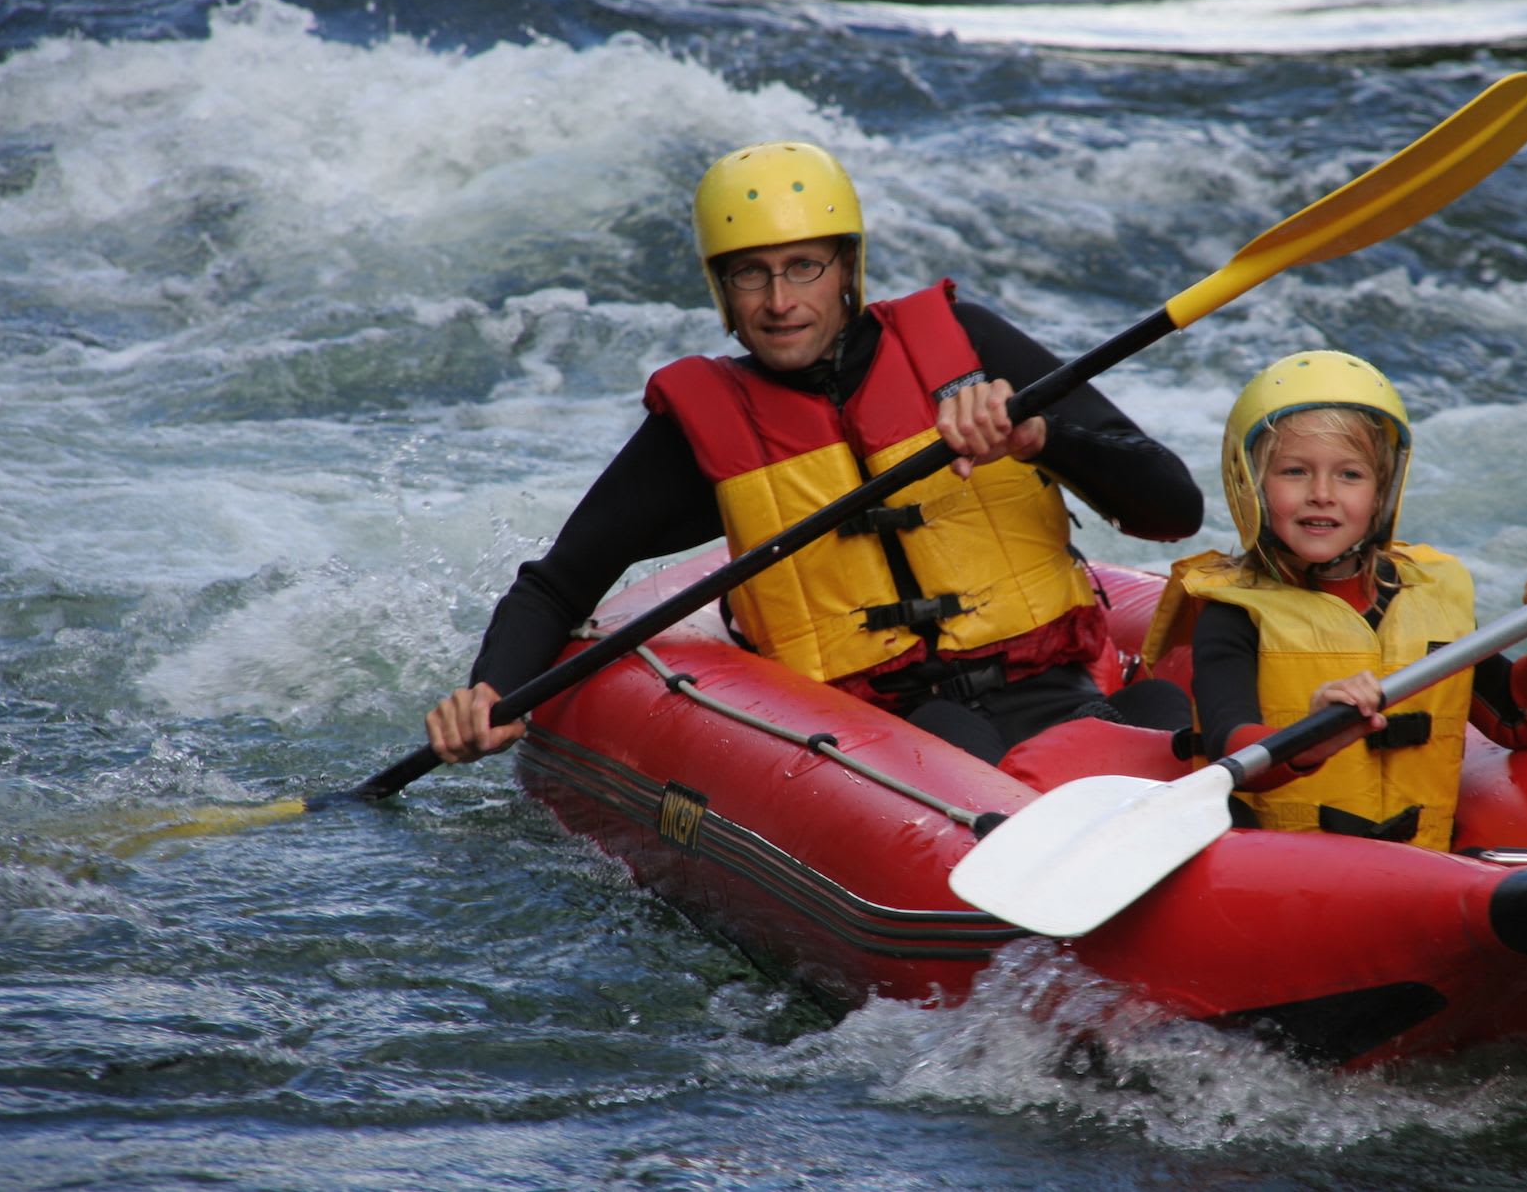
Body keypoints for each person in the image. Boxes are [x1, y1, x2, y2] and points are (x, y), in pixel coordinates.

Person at [427, 140, 1201, 767]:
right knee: (964, 751)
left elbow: (1174, 509)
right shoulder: (701, 428)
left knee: (1171, 720)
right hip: (889, 739)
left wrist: (1043, 438)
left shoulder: (967, 346)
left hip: (1059, 688)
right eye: (750, 275)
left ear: (846, 271)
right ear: (722, 290)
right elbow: (557, 588)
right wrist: (488, 695)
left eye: (804, 267)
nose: (779, 301)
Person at [1141, 350, 1527, 849]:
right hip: (1282, 871)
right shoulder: (1234, 611)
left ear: (1382, 494)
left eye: (1350, 475)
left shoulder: (1425, 598)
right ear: (1250, 485)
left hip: (1421, 867)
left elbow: (1515, 720)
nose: (1322, 493)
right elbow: (1232, 751)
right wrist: (1313, 734)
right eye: (1294, 471)